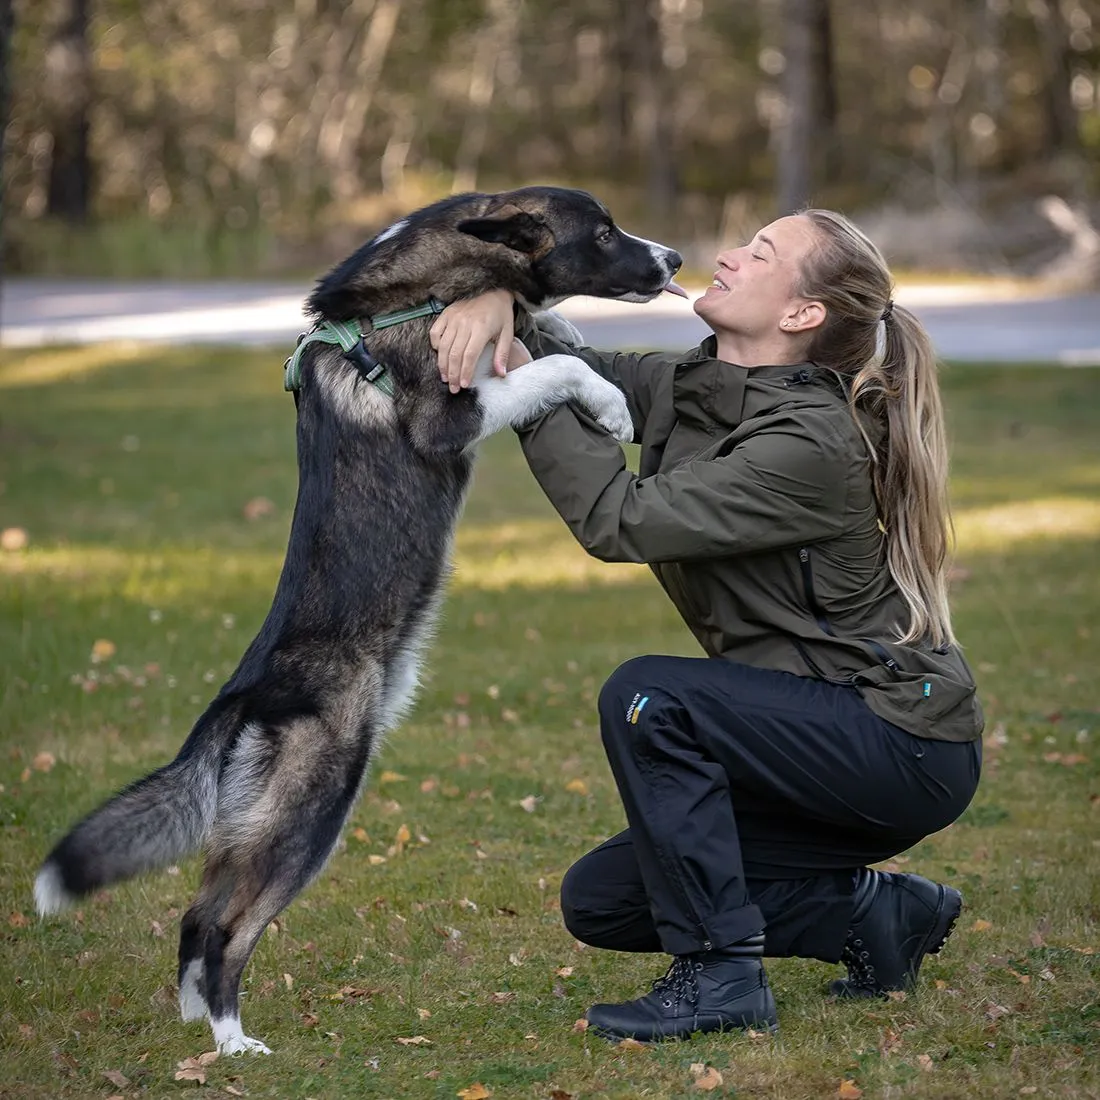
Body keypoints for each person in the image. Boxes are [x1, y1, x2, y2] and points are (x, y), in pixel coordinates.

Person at [429, 209, 983, 1043]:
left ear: (802, 315)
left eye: (761, 253)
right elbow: (570, 363)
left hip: (897, 741)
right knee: (605, 901)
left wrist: (530, 382)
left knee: (653, 696)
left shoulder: (809, 442)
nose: (727, 255)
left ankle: (722, 979)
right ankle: (872, 916)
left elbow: (620, 519)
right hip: (806, 734)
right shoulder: (706, 385)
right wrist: (499, 298)